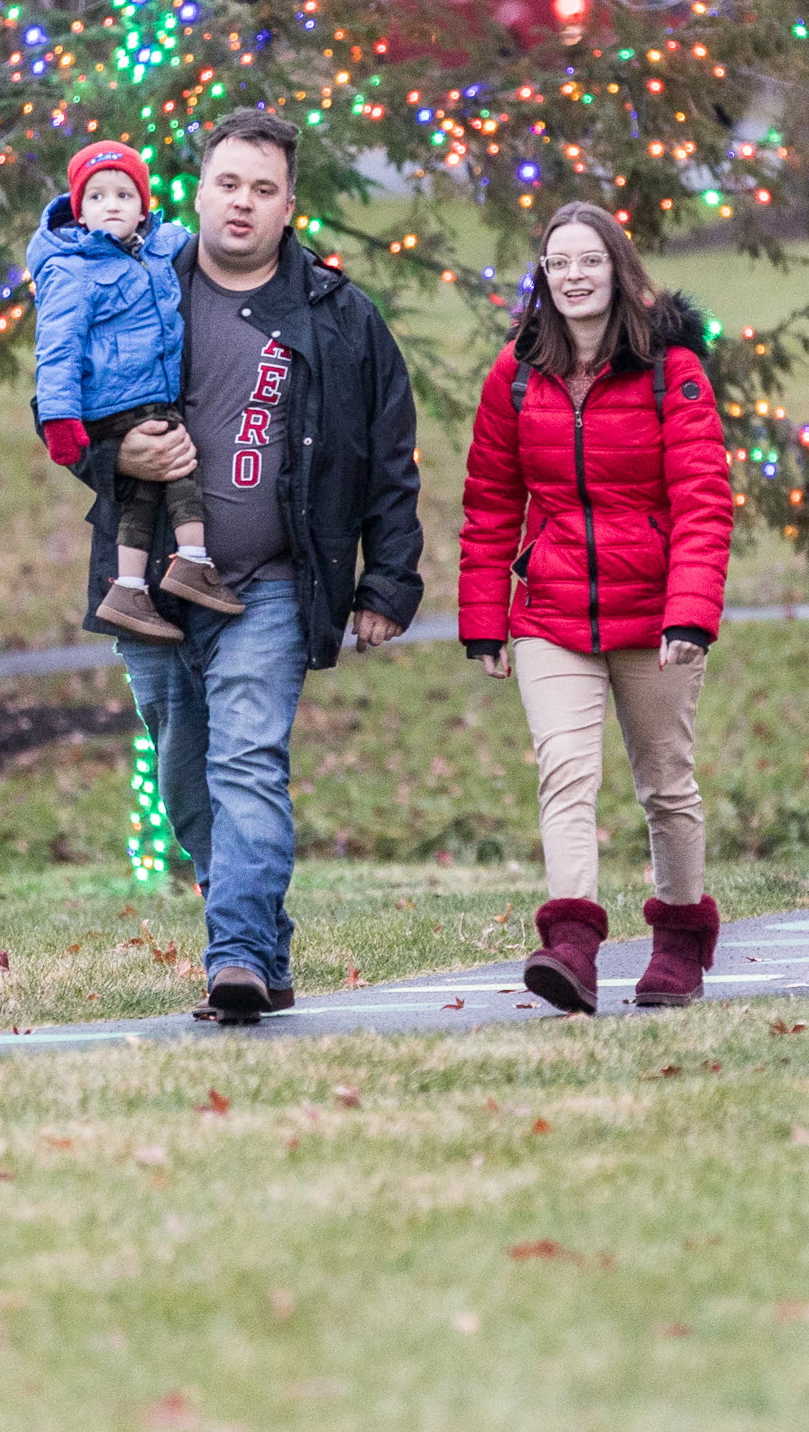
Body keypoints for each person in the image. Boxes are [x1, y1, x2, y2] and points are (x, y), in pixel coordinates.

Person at [87, 109, 425, 1024]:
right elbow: (67, 408)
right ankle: (260, 949)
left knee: (248, 762)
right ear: (197, 190)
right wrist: (113, 460)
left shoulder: (337, 316)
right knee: (187, 780)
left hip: (274, 580)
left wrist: (388, 580)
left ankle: (232, 955)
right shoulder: (135, 286)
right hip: (146, 579)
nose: (243, 203)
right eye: (228, 183)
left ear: (288, 205)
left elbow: (388, 455)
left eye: (263, 189)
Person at [458, 203, 736, 1014]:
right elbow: (489, 503)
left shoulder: (669, 369)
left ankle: (680, 944)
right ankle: (571, 946)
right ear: (542, 278)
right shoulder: (515, 373)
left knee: (666, 786)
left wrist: (691, 613)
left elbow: (702, 500)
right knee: (565, 773)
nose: (574, 277)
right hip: (549, 613)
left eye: (589, 261)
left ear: (617, 270)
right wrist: (483, 618)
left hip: (654, 613)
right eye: (558, 264)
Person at [32, 138, 246, 643]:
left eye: (125, 196)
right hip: (113, 401)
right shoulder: (71, 273)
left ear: (143, 207)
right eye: (98, 197)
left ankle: (129, 590)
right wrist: (60, 422)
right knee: (180, 468)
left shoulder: (158, 247)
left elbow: (198, 238)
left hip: (147, 393)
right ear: (79, 211)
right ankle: (192, 560)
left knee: (143, 497)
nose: (112, 206)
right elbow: (56, 353)